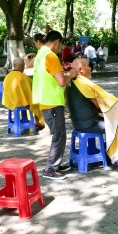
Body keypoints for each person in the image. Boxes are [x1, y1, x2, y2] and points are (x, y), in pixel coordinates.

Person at [68, 58, 118, 169]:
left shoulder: (73, 82)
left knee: (113, 122)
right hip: (88, 123)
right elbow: (98, 104)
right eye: (88, 66)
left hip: (78, 122)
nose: (90, 68)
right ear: (81, 69)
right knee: (116, 126)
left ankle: (111, 154)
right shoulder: (82, 83)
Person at [32, 30, 78, 180]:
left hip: (44, 100)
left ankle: (55, 164)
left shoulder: (40, 54)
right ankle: (50, 169)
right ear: (57, 42)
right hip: (52, 101)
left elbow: (51, 76)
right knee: (59, 136)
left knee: (58, 134)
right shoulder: (51, 56)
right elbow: (61, 81)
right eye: (61, 44)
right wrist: (71, 74)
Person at [2, 57, 45, 132]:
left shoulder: (7, 77)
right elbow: (31, 89)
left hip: (9, 102)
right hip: (21, 102)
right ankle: (37, 122)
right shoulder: (23, 77)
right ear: (20, 66)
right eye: (23, 66)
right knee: (36, 102)